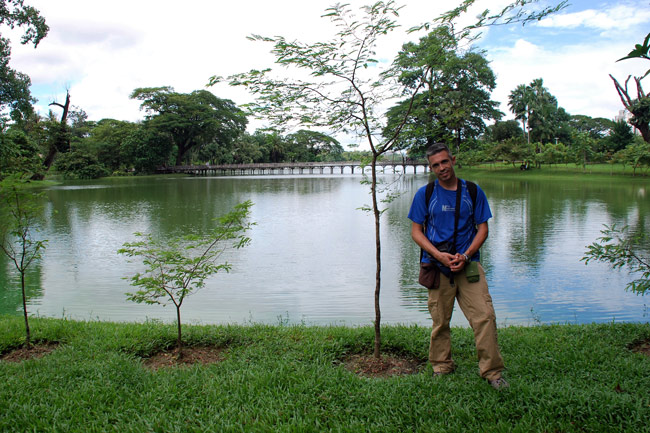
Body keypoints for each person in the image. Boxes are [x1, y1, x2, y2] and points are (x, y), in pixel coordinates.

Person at [408, 143, 508, 390]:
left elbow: (483, 228)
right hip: (437, 266)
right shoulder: (426, 194)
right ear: (431, 168)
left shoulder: (472, 191)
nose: (442, 168)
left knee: (484, 316)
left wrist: (465, 254)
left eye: (444, 161)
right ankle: (442, 366)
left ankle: (492, 372)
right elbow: (416, 232)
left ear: (452, 160)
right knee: (440, 320)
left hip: (469, 265)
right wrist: (439, 256)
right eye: (435, 165)